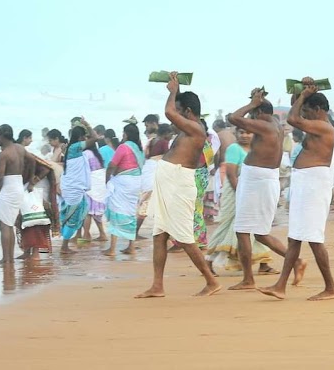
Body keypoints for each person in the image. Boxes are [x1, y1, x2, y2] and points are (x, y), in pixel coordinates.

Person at [135, 72, 221, 298]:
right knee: (159, 235)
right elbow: (175, 111)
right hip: (170, 182)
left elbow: (169, 112)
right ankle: (157, 286)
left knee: (184, 237)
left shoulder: (196, 129)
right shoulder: (188, 127)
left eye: (182, 111)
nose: (177, 116)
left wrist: (173, 92)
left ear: (188, 112)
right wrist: (178, 92)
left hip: (179, 183)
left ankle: (211, 281)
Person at [259, 81, 334, 301]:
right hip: (306, 182)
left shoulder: (324, 127)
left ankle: (331, 288)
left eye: (307, 111)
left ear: (318, 110)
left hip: (313, 183)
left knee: (313, 238)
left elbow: (293, 119)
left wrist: (303, 95)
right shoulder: (317, 125)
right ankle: (280, 285)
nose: (304, 114)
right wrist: (300, 92)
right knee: (295, 238)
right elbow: (296, 111)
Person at [227, 88, 305, 291]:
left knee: (242, 230)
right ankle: (296, 262)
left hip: (256, 181)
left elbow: (233, 118)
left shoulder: (263, 125)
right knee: (260, 233)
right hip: (264, 179)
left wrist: (252, 103)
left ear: (258, 112)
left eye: (253, 112)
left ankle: (248, 279)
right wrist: (256, 102)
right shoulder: (275, 124)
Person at [205, 128, 276, 275]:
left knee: (257, 227)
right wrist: (242, 194)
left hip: (251, 192)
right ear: (236, 133)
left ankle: (264, 263)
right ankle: (208, 262)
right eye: (241, 132)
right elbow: (231, 174)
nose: (244, 135)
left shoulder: (256, 148)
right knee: (228, 226)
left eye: (248, 132)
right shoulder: (234, 148)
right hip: (236, 191)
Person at [0, 124, 35, 265]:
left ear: (3, 136)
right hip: (18, 185)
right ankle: (8, 258)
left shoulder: (4, 154)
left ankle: (6, 258)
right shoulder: (20, 149)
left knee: (4, 225)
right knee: (9, 223)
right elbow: (33, 160)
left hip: (8, 187)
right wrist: (32, 179)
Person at [103, 124, 145, 256]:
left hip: (123, 182)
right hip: (136, 182)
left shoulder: (124, 147)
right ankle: (131, 247)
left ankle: (112, 249)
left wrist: (107, 179)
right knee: (130, 211)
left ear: (126, 134)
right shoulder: (138, 148)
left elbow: (112, 165)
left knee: (117, 210)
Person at [59, 120, 99, 254]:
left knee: (75, 214)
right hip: (74, 188)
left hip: (73, 187)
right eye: (83, 137)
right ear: (80, 137)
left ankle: (65, 241)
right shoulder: (75, 147)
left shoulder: (71, 149)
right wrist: (88, 124)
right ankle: (64, 246)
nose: (85, 139)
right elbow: (95, 138)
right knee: (74, 217)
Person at [16, 155, 58, 260]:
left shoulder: (28, 158)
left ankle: (35, 253)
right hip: (29, 195)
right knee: (24, 222)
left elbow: (46, 169)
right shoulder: (20, 158)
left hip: (36, 195)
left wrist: (33, 182)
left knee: (36, 226)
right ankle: (27, 251)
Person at [83, 142, 108, 242]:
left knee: (88, 212)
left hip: (91, 184)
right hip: (99, 183)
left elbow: (84, 169)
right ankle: (102, 234)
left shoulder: (86, 153)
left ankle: (85, 236)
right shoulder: (97, 153)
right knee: (95, 211)